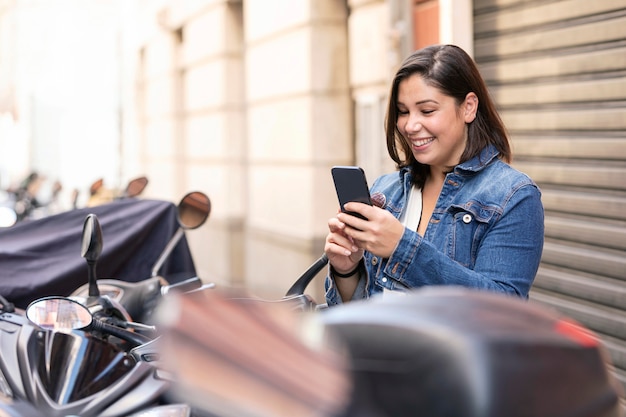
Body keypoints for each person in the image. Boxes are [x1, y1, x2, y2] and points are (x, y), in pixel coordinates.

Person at [324, 44, 544, 305]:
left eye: (427, 110)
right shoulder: (386, 191)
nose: (410, 125)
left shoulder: (513, 196)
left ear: (469, 107)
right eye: (403, 111)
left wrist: (401, 247)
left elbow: (503, 310)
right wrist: (346, 270)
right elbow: (361, 310)